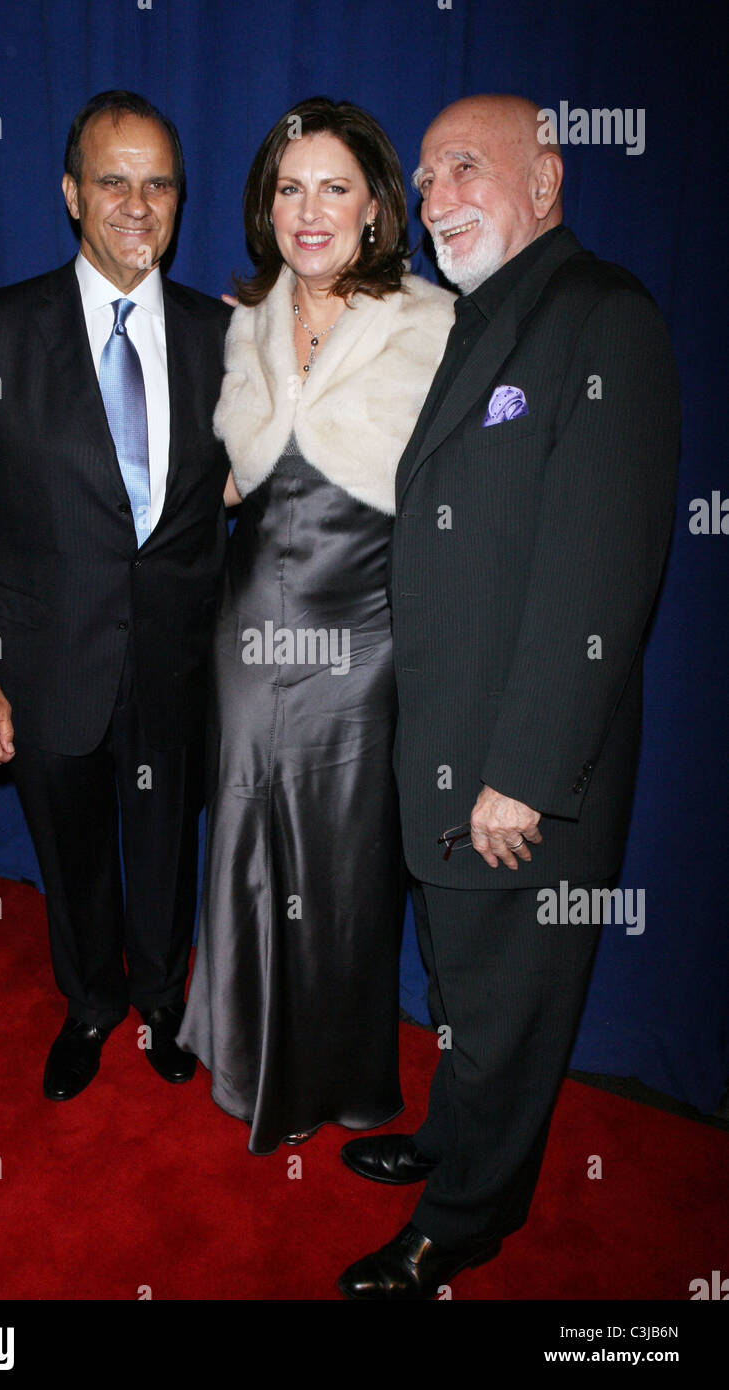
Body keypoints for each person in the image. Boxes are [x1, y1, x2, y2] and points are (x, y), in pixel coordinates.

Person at [337, 94, 680, 1298]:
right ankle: (449, 1140)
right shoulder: (479, 322)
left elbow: (601, 570)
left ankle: (466, 1220)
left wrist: (523, 771)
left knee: (512, 1006)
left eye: (462, 169)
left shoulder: (601, 317)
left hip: (518, 775)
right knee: (463, 991)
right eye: (422, 178)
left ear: (545, 181)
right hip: (445, 752)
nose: (432, 199)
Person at [0, 90, 231, 1102]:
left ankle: (160, 1000)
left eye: (159, 184)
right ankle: (92, 1002)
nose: (137, 204)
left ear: (179, 202)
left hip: (176, 662)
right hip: (45, 658)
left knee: (163, 849)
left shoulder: (218, 336)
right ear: (70, 194)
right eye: (113, 181)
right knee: (74, 856)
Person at [177, 98, 455, 1153]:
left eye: (334, 186)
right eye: (289, 187)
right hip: (246, 634)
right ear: (264, 203)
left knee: (344, 866)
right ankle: (241, 1049)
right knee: (245, 841)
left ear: (377, 205)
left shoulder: (430, 327)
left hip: (364, 645)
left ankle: (333, 1073)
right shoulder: (237, 320)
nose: (309, 209)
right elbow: (217, 481)